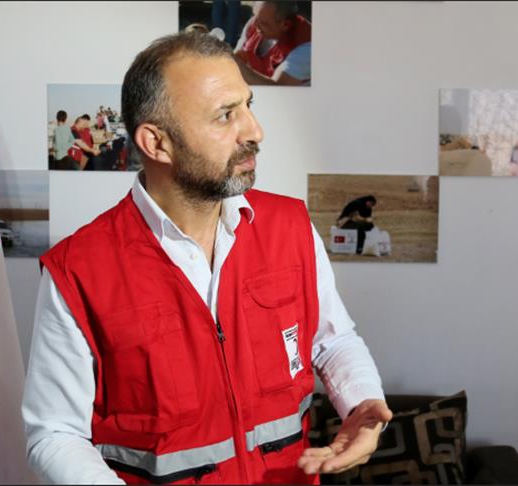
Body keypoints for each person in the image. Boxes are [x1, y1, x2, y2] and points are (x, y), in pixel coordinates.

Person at [23, 32, 390, 484]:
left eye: (248, 105)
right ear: (157, 143)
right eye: (225, 116)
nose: (255, 131)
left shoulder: (290, 226)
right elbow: (55, 433)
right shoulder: (77, 271)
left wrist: (362, 404)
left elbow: (332, 341)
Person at [233, 1, 311, 86]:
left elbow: (278, 88)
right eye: (254, 16)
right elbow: (237, 55)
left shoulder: (306, 48)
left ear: (285, 24)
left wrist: (238, 66)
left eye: (264, 23)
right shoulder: (255, 22)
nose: (255, 24)